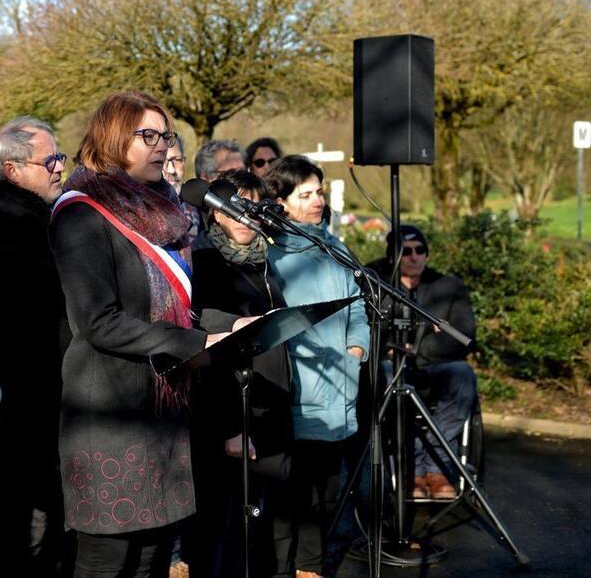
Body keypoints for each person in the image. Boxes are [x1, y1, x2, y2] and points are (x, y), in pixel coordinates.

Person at [50, 91, 247, 578]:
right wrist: (196, 346)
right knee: (110, 562)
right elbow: (98, 321)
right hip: (110, 416)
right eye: (148, 136)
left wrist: (228, 328)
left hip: (165, 413)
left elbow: (180, 310)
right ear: (114, 138)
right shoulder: (81, 212)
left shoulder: (165, 213)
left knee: (155, 559)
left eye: (167, 136)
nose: (162, 146)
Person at [0, 117, 71, 577]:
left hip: (52, 407)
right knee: (22, 543)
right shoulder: (3, 234)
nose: (58, 169)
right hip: (22, 414)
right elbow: (8, 332)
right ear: (11, 170)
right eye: (49, 160)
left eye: (60, 159)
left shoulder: (50, 224)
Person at [264, 155, 369, 578]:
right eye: (304, 194)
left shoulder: (336, 247)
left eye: (319, 192)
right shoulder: (272, 257)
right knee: (292, 496)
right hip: (300, 394)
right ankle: (282, 568)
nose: (316, 201)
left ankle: (311, 567)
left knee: (327, 492)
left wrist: (356, 350)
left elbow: (359, 306)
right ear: (282, 202)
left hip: (342, 386)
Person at [187, 169, 293, 578]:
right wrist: (231, 427)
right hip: (229, 420)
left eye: (250, 207)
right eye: (234, 208)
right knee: (220, 534)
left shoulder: (266, 262)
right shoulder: (205, 264)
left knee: (258, 532)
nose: (244, 218)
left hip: (268, 412)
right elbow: (206, 351)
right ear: (215, 214)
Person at [367, 224, 478, 500]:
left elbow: (462, 335)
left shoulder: (448, 286)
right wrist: (394, 347)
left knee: (463, 374)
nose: (414, 256)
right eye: (405, 252)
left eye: (420, 250)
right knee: (381, 373)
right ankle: (412, 470)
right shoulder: (375, 285)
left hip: (435, 367)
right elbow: (365, 330)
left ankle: (435, 466)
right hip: (391, 367)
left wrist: (416, 349)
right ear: (392, 257)